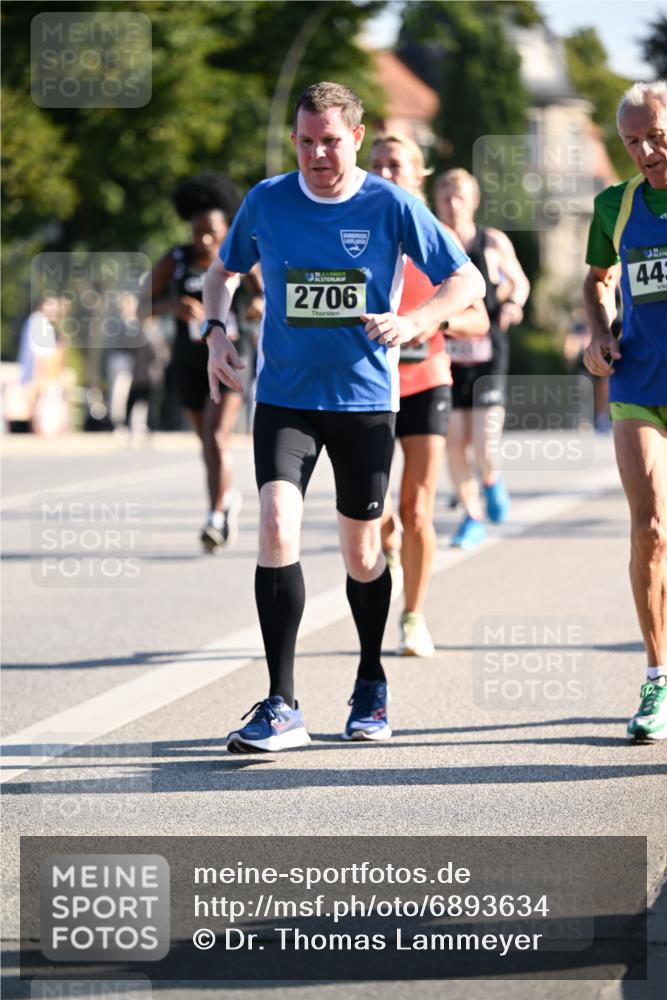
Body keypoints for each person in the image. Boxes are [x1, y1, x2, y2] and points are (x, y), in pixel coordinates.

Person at [203, 82, 485, 751]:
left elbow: (464, 278)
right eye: (305, 141)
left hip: (363, 401)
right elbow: (224, 273)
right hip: (285, 398)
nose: (316, 154)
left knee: (362, 554)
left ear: (355, 137)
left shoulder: (388, 203)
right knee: (275, 525)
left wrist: (412, 320)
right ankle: (281, 704)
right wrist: (217, 331)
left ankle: (369, 681)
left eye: (329, 140)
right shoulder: (266, 199)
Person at [369, 132, 490, 657]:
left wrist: (428, 321)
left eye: (396, 165)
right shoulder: (350, 228)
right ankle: (389, 546)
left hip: (425, 381)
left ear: (419, 175)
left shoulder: (435, 235)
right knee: (372, 511)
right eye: (376, 164)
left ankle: (413, 617)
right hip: (366, 388)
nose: (386, 173)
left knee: (416, 508)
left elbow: (478, 315)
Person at [582, 81, 667, 743]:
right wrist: (598, 332)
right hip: (637, 380)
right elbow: (595, 278)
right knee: (650, 530)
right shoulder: (614, 204)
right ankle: (655, 680)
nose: (644, 150)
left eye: (654, 135)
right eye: (632, 141)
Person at [138, 173, 258, 552]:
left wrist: (257, 305)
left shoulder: (240, 259)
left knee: (217, 435)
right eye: (198, 232)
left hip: (231, 360)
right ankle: (226, 500)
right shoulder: (175, 261)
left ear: (226, 229)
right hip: (189, 365)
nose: (204, 240)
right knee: (206, 442)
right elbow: (139, 306)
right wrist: (171, 305)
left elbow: (268, 297)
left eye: (212, 232)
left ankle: (215, 516)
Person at [435, 169, 530, 548]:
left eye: (460, 196)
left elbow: (519, 280)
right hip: (445, 356)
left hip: (487, 353)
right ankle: (471, 517)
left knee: (484, 443)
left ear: (473, 201)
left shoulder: (491, 242)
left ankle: (491, 481)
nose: (453, 204)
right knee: (454, 443)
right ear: (437, 203)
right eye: (445, 197)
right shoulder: (431, 242)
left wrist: (512, 304)